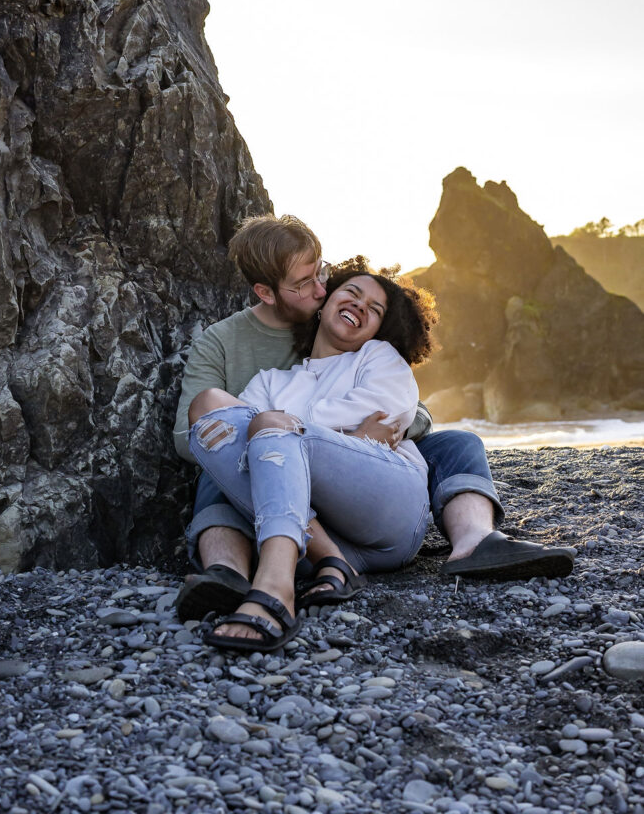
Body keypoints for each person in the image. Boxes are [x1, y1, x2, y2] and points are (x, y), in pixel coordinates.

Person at [173, 215, 575, 621]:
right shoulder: (236, 352)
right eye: (313, 286)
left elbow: (395, 408)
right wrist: (340, 433)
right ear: (267, 292)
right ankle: (235, 573)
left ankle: (476, 541)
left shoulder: (376, 356)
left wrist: (323, 431)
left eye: (323, 276)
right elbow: (213, 432)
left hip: (373, 495)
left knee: (458, 443)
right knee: (223, 436)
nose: (320, 289)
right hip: (303, 504)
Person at [187, 266, 435, 650]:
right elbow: (234, 443)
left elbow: (388, 416)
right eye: (351, 292)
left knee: (269, 427)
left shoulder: (378, 357)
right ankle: (332, 559)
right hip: (304, 539)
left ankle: (274, 590)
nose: (360, 305)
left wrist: (283, 431)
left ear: (378, 329)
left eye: (376, 308)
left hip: (388, 509)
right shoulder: (272, 381)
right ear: (324, 303)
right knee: (208, 403)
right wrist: (346, 433)